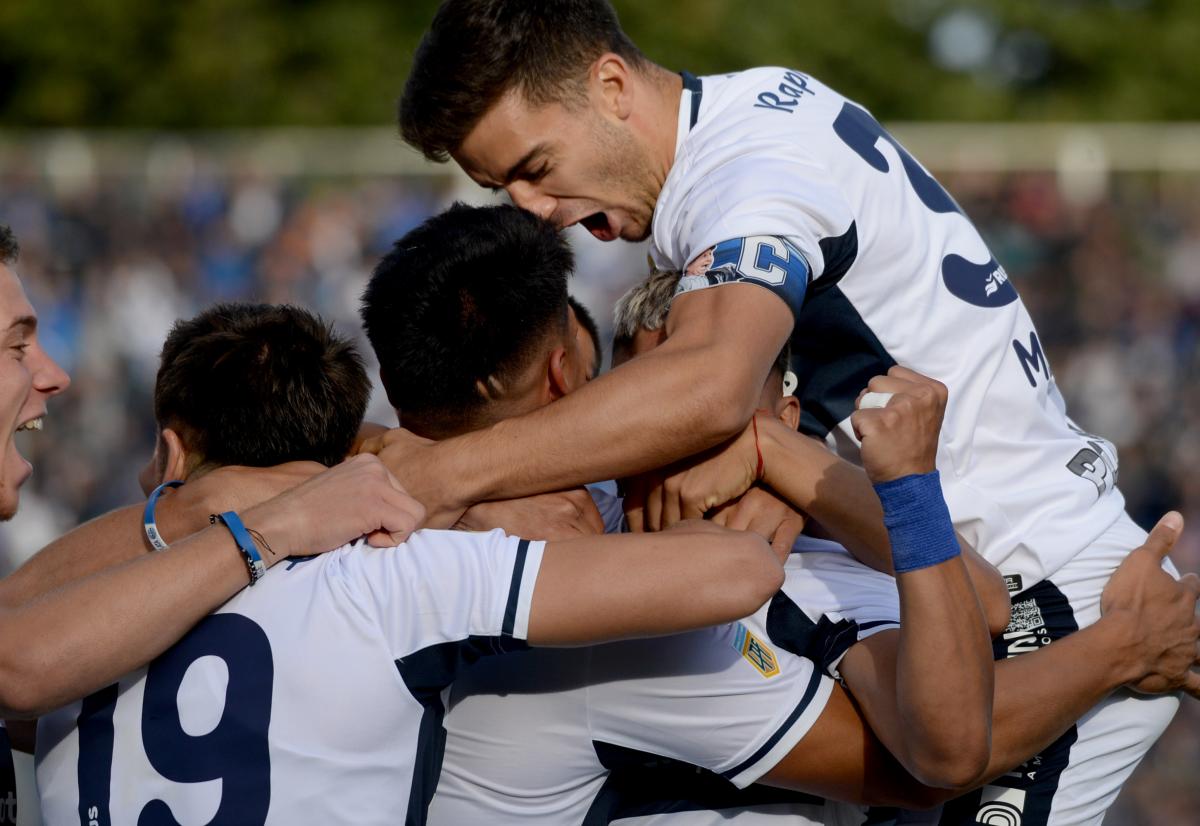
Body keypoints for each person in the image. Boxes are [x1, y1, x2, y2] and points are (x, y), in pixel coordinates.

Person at [389, 3, 1194, 822]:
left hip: (1039, 596)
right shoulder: (749, 119)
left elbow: (709, 387)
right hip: (948, 583)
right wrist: (780, 461)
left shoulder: (747, 176)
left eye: (535, 164)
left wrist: (448, 471)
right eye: (501, 187)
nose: (527, 206)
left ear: (610, 84)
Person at [34, 301, 784, 825]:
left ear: (169, 450)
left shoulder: (65, 612)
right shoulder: (399, 575)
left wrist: (206, 501)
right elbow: (735, 574)